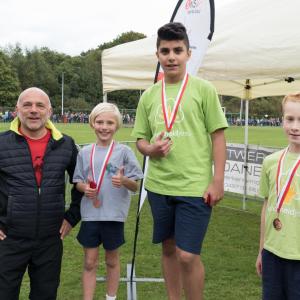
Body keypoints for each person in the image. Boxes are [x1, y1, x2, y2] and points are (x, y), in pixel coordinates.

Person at [131, 22, 228, 300]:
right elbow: (140, 139)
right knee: (168, 248)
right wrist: (151, 150)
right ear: (157, 55)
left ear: (188, 53)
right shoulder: (149, 95)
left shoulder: (203, 89)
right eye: (165, 51)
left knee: (187, 255)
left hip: (194, 188)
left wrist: (217, 180)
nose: (171, 56)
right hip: (159, 186)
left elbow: (218, 137)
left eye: (177, 50)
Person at [0, 87, 83, 300]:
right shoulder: (2, 143)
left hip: (50, 239)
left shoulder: (66, 144)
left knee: (45, 296)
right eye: (27, 105)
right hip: (8, 238)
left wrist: (72, 217)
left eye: (40, 105)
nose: (33, 110)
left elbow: (82, 183)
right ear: (17, 109)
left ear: (50, 110)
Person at [73, 103, 143, 300]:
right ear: (92, 124)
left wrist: (124, 180)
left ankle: (110, 297)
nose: (104, 127)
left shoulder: (124, 152)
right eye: (100, 122)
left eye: (110, 123)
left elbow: (135, 185)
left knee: (112, 261)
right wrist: (84, 188)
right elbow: (78, 181)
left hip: (113, 216)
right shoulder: (85, 152)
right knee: (89, 262)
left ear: (117, 126)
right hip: (90, 215)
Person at [256, 92, 300, 300]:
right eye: (290, 119)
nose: (295, 126)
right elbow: (267, 206)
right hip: (272, 254)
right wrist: (261, 250)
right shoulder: (271, 162)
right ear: (282, 119)